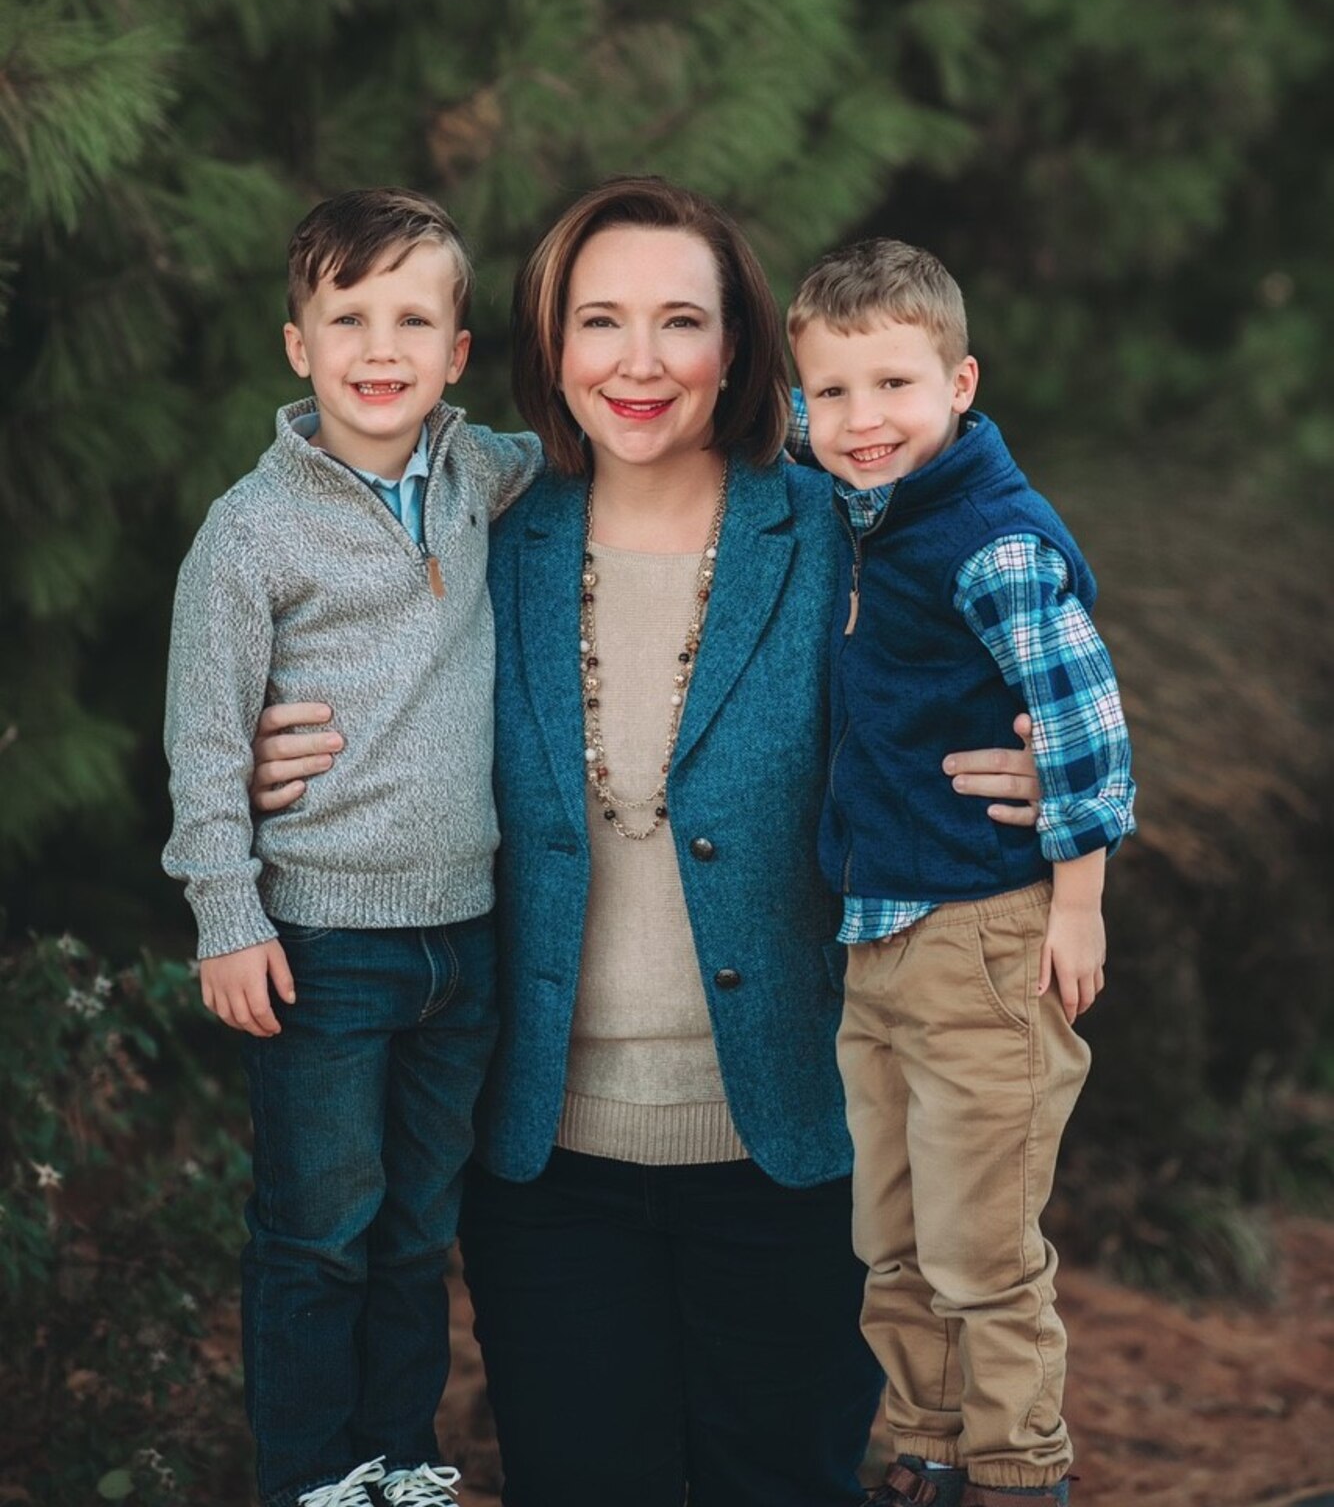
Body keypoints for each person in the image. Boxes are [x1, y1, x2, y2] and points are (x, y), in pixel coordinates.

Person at [249, 178, 1042, 1507]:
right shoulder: (480, 534)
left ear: (736, 348)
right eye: (596, 321)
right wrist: (279, 746)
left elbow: (1008, 581)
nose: (636, 362)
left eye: (680, 322)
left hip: (799, 1150)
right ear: (546, 349)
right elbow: (338, 656)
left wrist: (1044, 764)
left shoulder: (842, 533)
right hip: (549, 1170)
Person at [163, 189, 542, 1507]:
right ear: (296, 344)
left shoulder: (486, 473)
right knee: (318, 1236)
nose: (378, 348)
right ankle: (312, 1478)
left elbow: (623, 439)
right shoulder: (252, 531)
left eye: (410, 319)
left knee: (414, 1231)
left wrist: (812, 421)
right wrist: (227, 912)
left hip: (464, 939)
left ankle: (404, 1461)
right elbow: (207, 743)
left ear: (454, 349)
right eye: (346, 318)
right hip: (322, 942)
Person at [786, 237, 1136, 1507]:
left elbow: (1085, 728)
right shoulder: (871, 492)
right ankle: (925, 1452)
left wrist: (1079, 904)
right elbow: (788, 415)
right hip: (878, 937)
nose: (859, 418)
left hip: (985, 936)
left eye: (892, 386)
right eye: (830, 392)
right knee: (890, 1238)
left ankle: (1013, 1470)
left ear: (962, 381)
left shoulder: (989, 543)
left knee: (982, 1248)